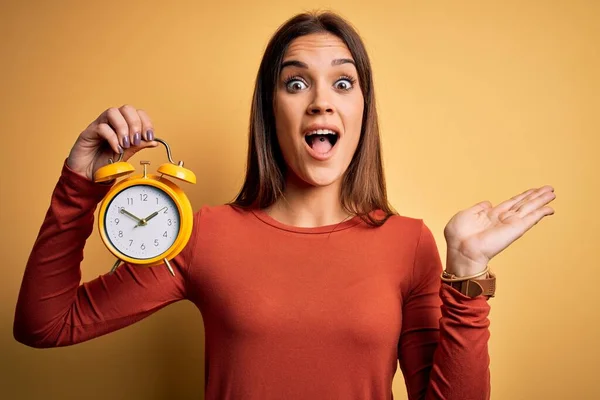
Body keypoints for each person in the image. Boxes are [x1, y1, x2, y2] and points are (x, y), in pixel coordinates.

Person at [13, 11, 556, 400]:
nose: (321, 99)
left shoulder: (409, 244)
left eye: (343, 82)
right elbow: (46, 323)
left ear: (362, 110)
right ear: (269, 111)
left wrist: (466, 272)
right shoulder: (204, 235)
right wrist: (78, 183)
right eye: (296, 83)